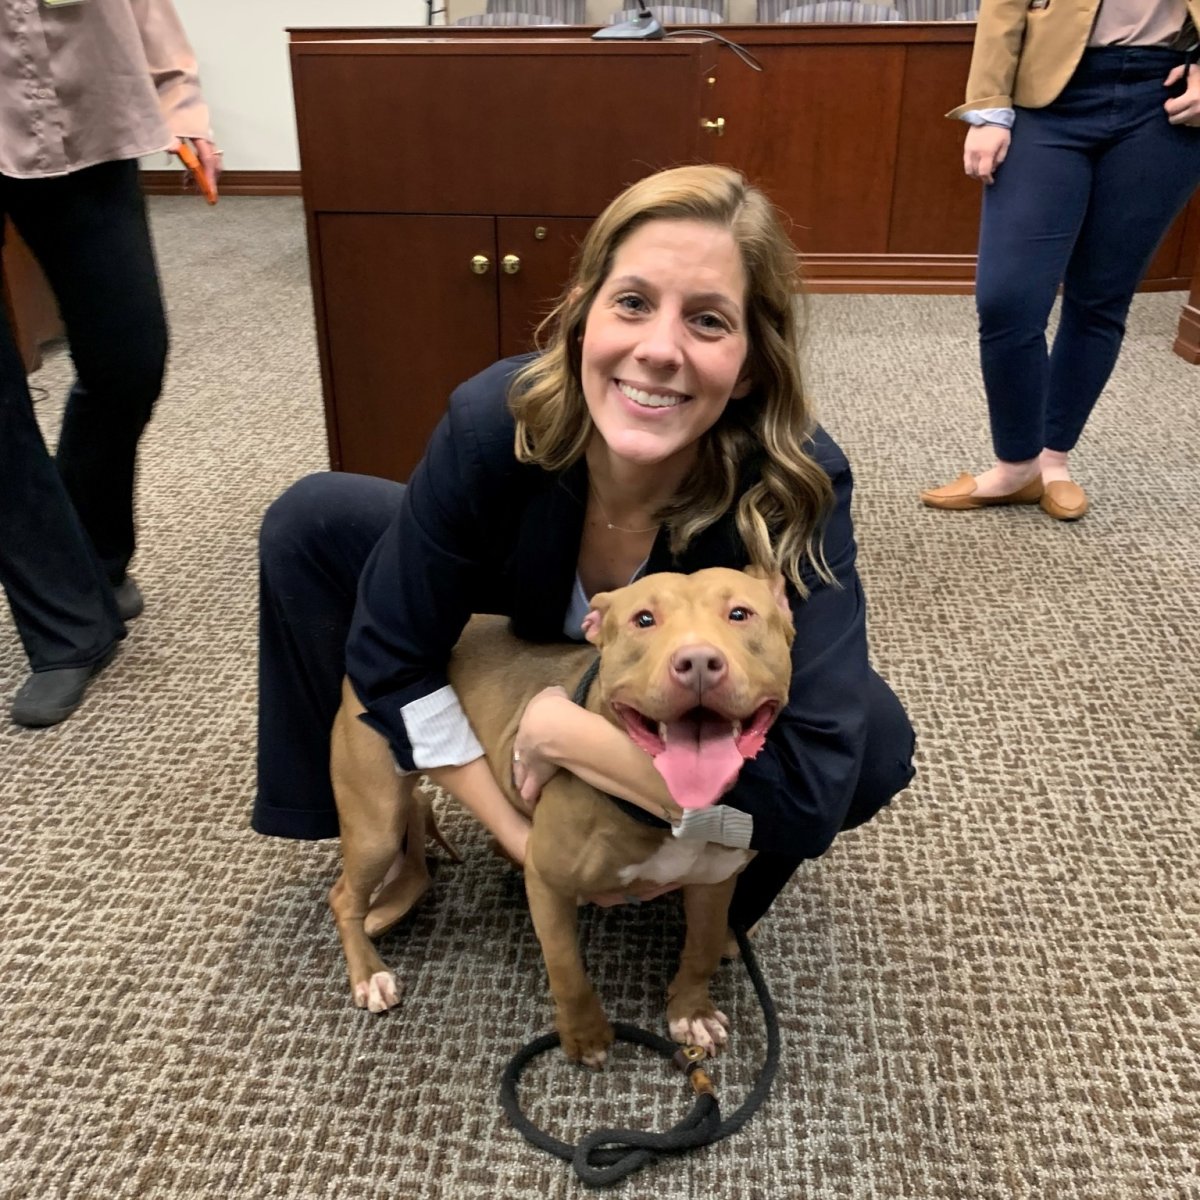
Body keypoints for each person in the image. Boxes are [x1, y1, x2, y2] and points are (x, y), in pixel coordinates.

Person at [253, 164, 916, 935]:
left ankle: (697, 872)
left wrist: (571, 738)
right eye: (632, 303)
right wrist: (517, 833)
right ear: (579, 318)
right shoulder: (489, 425)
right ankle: (382, 837)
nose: (660, 350)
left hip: (663, 662)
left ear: (750, 366)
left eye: (708, 321)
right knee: (314, 521)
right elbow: (390, 660)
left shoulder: (798, 480)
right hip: (521, 593)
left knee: (873, 740)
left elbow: (814, 790)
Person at [0, 0, 220, 727]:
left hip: (86, 112)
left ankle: (93, 555)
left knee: (129, 357)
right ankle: (67, 628)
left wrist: (180, 101)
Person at [921, 0, 1200, 520]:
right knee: (1008, 298)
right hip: (1045, 97)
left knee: (1101, 299)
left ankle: (1051, 461)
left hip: (1165, 98)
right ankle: (1015, 463)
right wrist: (988, 107)